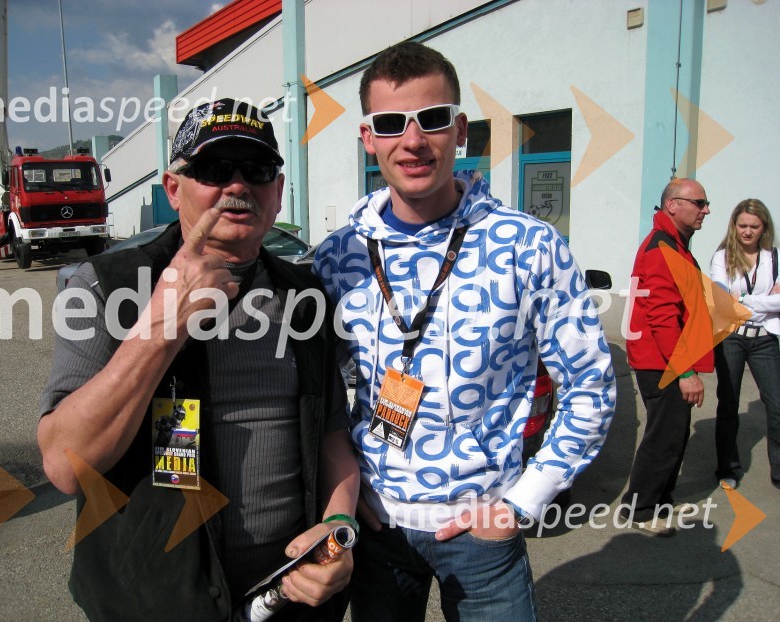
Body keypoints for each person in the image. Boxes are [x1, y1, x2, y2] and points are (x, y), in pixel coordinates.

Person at [313, 41, 615, 621]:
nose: (413, 140)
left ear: (460, 130)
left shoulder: (528, 246)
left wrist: (522, 504)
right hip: (377, 529)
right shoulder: (338, 256)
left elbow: (591, 388)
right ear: (367, 138)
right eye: (390, 123)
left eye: (431, 120)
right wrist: (343, 502)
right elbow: (321, 395)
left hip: (483, 532)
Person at [37, 98, 358, 622]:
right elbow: (65, 465)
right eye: (212, 170)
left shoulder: (307, 295)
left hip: (289, 595)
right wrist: (163, 326)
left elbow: (331, 434)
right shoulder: (102, 286)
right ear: (173, 188)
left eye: (255, 170)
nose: (237, 186)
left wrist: (340, 527)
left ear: (277, 193)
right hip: (154, 602)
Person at [620, 178, 713, 536]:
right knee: (664, 437)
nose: (706, 209)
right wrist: (685, 372)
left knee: (673, 433)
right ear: (673, 205)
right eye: (700, 202)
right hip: (661, 362)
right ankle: (641, 510)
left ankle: (659, 500)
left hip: (664, 359)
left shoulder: (674, 243)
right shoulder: (663, 249)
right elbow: (661, 318)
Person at [710, 199, 780, 490]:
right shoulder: (722, 257)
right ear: (734, 225)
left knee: (777, 406)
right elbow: (724, 303)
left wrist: (746, 300)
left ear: (764, 227)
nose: (748, 232)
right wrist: (768, 301)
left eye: (754, 226)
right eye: (743, 226)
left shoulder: (773, 257)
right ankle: (727, 467)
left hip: (765, 340)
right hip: (731, 339)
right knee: (728, 403)